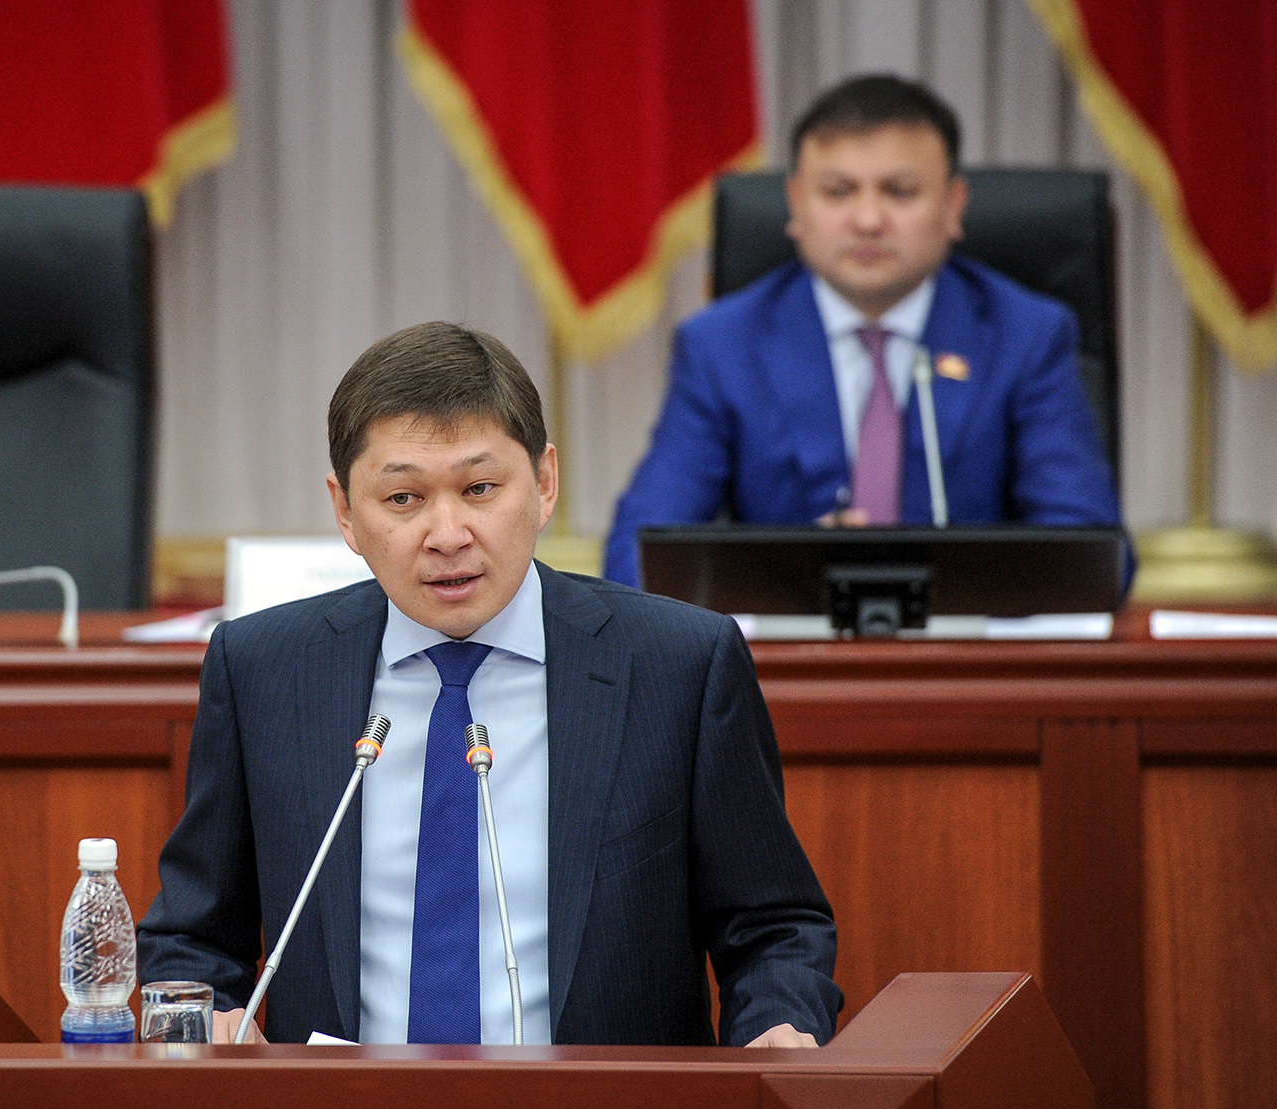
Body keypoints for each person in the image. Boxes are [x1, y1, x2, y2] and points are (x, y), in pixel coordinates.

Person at [138, 321, 841, 1047]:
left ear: (544, 483)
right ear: (345, 511)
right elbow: (194, 938)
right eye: (403, 498)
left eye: (479, 488)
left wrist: (777, 1027)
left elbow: (772, 929)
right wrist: (205, 1020)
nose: (448, 535)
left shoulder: (679, 665)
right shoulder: (265, 670)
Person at [603, 74, 1122, 587]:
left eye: (900, 192)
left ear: (953, 205)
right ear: (796, 204)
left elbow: (1093, 556)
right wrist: (794, 574)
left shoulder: (1026, 336)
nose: (869, 220)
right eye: (838, 192)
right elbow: (637, 555)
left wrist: (948, 588)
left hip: (966, 639)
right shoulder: (721, 346)